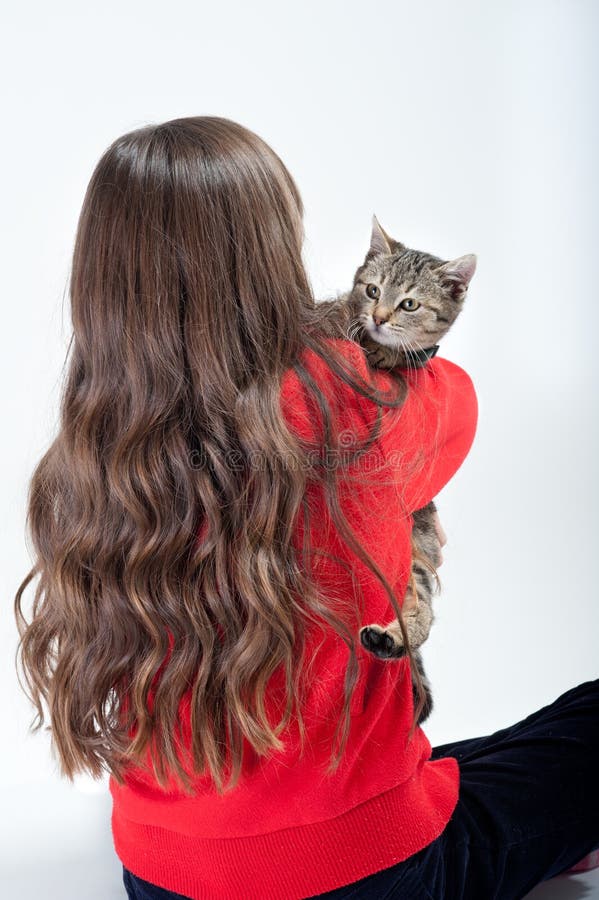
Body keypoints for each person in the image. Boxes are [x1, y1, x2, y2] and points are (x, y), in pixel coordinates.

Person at [14, 116, 598, 900]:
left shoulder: (94, 444)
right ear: (268, 254)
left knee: (477, 763)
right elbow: (457, 407)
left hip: (158, 876)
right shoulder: (349, 401)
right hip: (361, 876)